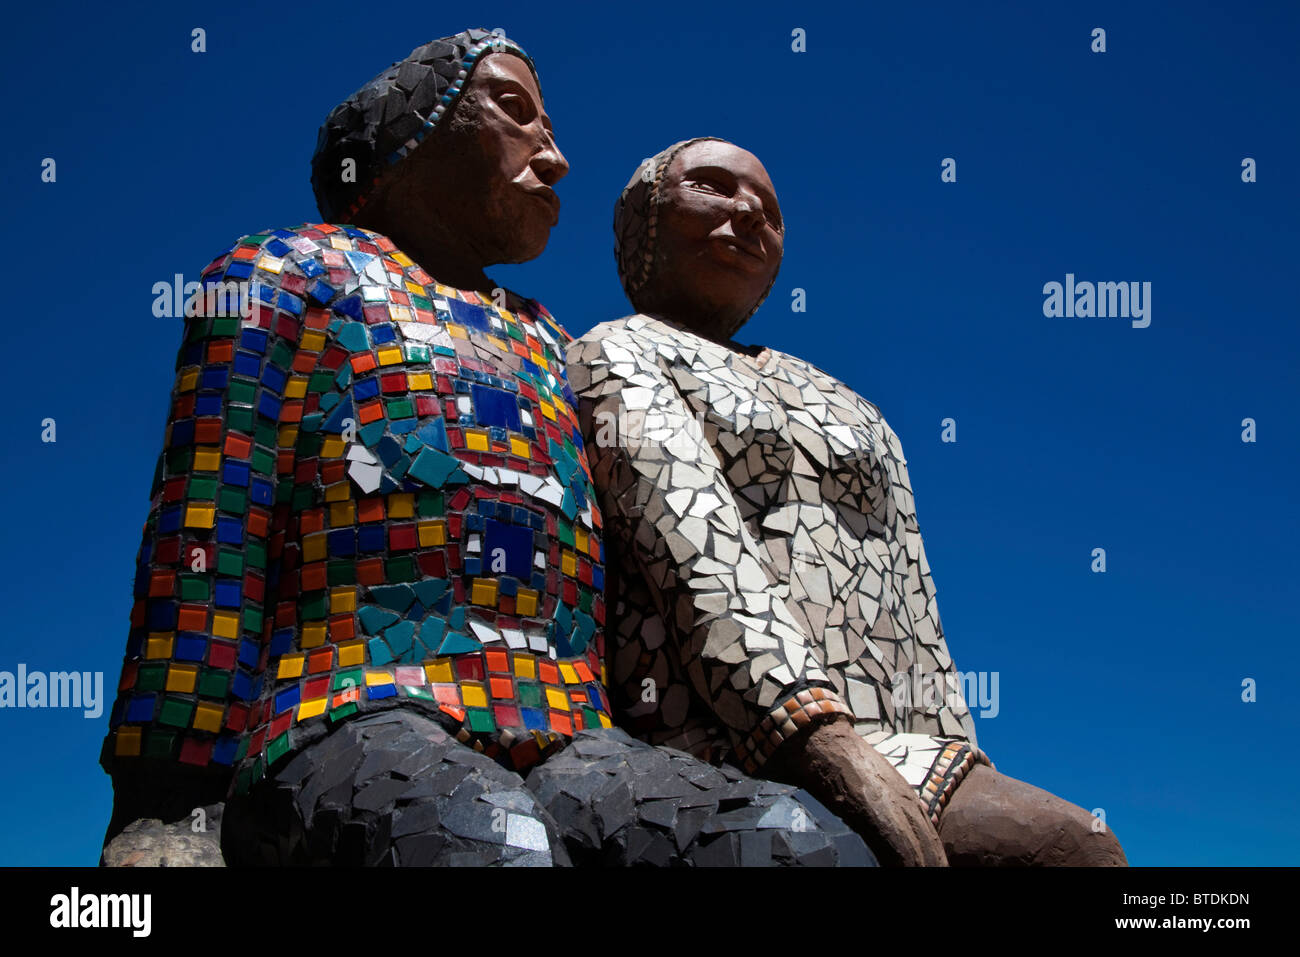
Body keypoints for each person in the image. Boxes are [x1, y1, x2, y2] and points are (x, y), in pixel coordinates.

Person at [100, 35, 870, 868]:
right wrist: (167, 800)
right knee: (485, 840)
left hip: (575, 733)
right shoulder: (286, 275)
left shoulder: (552, 342)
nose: (558, 155)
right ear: (410, 130)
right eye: (514, 110)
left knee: (794, 844)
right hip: (348, 710)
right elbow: (208, 519)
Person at [568, 137, 1128, 866]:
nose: (746, 213)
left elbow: (916, 605)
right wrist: (815, 737)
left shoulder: (858, 409)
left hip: (907, 750)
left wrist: (959, 755)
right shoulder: (618, 351)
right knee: (1074, 851)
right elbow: (694, 545)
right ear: (643, 220)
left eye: (767, 209)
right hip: (720, 739)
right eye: (712, 187)